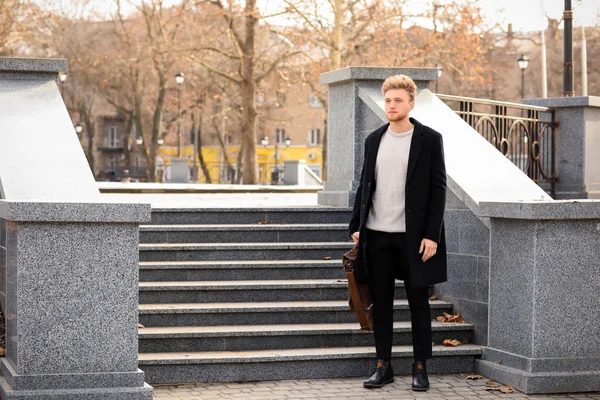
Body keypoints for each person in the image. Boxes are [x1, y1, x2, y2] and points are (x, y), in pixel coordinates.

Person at [348, 74, 447, 391]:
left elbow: (438, 189)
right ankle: (383, 366)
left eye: (398, 100)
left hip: (414, 239)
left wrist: (432, 234)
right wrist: (356, 227)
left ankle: (420, 367)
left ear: (411, 103)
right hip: (377, 236)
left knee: (419, 304)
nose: (391, 105)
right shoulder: (374, 139)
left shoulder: (429, 139)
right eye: (388, 100)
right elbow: (365, 185)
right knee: (383, 304)